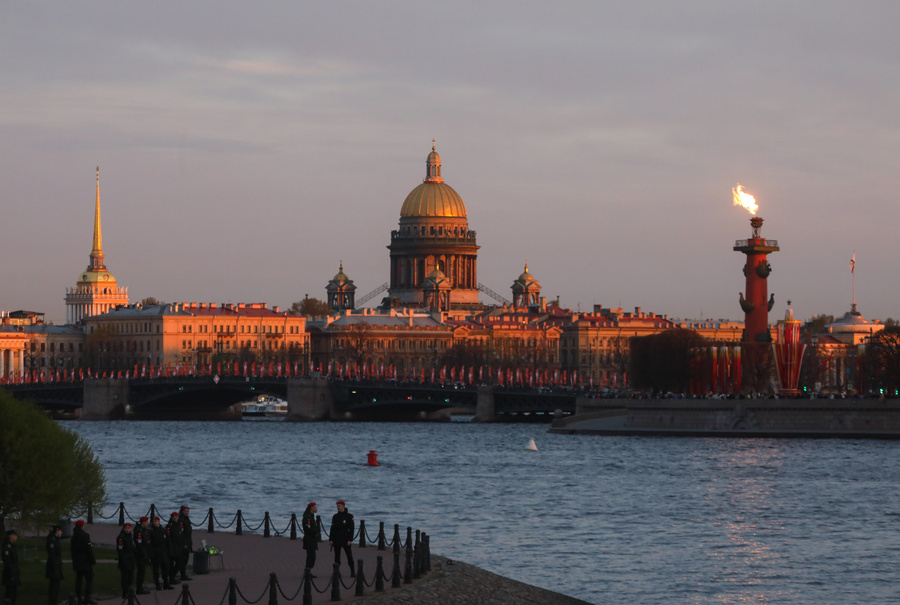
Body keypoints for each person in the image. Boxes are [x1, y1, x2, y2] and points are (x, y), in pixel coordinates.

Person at [71, 520, 97, 604]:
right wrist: (92, 561)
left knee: (79, 579)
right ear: (82, 526)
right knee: (89, 579)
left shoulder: (73, 537)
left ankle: (79, 598)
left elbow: (72, 550)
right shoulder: (85, 535)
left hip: (77, 561)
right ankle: (86, 598)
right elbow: (89, 549)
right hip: (85, 561)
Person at [329, 501, 355, 577]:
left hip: (345, 539)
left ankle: (352, 571)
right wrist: (331, 539)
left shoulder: (349, 516)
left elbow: (352, 529)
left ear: (343, 506)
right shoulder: (335, 516)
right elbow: (332, 528)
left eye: (339, 506)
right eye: (337, 506)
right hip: (336, 539)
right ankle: (337, 572)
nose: (338, 508)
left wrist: (350, 540)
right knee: (337, 557)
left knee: (349, 556)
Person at [148, 517, 173, 590]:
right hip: (155, 552)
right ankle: (157, 584)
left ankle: (166, 583)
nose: (155, 522)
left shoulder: (163, 530)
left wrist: (170, 552)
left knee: (165, 569)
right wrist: (151, 554)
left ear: (159, 521)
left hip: (164, 551)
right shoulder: (151, 532)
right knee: (156, 570)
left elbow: (168, 541)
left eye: (156, 521)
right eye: (154, 521)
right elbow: (150, 544)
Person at [116, 523, 137, 598]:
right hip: (124, 559)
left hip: (131, 559)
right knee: (125, 578)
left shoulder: (130, 536)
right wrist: (123, 560)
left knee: (130, 577)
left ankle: (129, 591)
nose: (127, 529)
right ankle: (124, 593)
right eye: (126, 528)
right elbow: (120, 550)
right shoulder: (121, 537)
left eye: (128, 528)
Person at [46, 525, 64, 605]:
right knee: (53, 586)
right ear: (57, 531)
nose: (61, 532)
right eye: (60, 531)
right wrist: (55, 568)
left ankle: (54, 601)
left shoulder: (56, 540)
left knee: (56, 586)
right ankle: (52, 602)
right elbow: (52, 555)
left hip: (57, 565)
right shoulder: (52, 541)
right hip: (54, 566)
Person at [133, 517, 151, 594]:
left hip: (143, 553)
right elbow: (139, 545)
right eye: (147, 522)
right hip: (140, 554)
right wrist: (143, 554)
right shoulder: (139, 532)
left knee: (142, 571)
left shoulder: (144, 530)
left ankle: (140, 587)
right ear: (143, 522)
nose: (148, 523)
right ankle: (139, 588)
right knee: (141, 571)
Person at [301, 502, 320, 575]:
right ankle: (307, 570)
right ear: (311, 508)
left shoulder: (311, 516)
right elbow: (307, 528)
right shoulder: (307, 517)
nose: (316, 508)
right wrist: (315, 532)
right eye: (315, 507)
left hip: (312, 539)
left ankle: (308, 570)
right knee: (311, 556)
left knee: (312, 556)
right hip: (309, 539)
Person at [2, 530, 20, 605]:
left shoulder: (12, 546)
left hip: (14, 571)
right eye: (15, 535)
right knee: (9, 592)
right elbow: (8, 562)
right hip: (9, 573)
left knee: (13, 592)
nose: (16, 537)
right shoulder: (7, 546)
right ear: (10, 536)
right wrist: (11, 574)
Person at [165, 512, 183, 586]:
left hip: (178, 547)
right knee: (172, 564)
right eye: (174, 516)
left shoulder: (178, 525)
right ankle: (171, 578)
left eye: (176, 516)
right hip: (172, 547)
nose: (175, 518)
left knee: (179, 563)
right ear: (171, 517)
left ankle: (172, 577)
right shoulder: (169, 526)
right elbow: (168, 537)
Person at [178, 506, 193, 580]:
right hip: (184, 542)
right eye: (185, 511)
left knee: (186, 559)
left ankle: (183, 574)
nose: (187, 512)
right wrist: (184, 544)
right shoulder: (181, 520)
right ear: (182, 511)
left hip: (188, 540)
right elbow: (182, 533)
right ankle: (182, 575)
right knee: (183, 559)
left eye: (187, 511)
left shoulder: (186, 519)